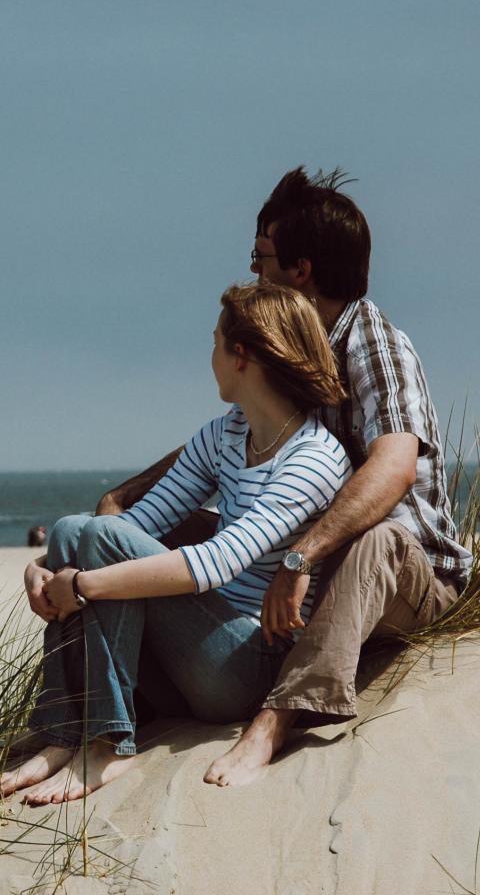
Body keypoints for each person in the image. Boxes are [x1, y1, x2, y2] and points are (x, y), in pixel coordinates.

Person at [95, 168, 472, 786]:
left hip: (409, 574)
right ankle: (108, 708)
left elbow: (395, 468)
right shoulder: (298, 346)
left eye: (261, 258)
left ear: (301, 270)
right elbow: (233, 431)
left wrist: (300, 558)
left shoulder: (374, 344)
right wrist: (123, 498)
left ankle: (275, 720)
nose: (252, 273)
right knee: (163, 534)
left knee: (375, 540)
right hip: (322, 564)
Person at [0, 282, 352, 803]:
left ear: (241, 356)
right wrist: (43, 566)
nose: (210, 357)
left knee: (99, 538)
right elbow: (138, 525)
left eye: (215, 343)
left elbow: (217, 563)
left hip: (245, 668)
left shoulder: (313, 457)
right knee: (73, 528)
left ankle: (108, 746)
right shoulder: (226, 435)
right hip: (189, 657)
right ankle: (67, 733)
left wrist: (84, 585)